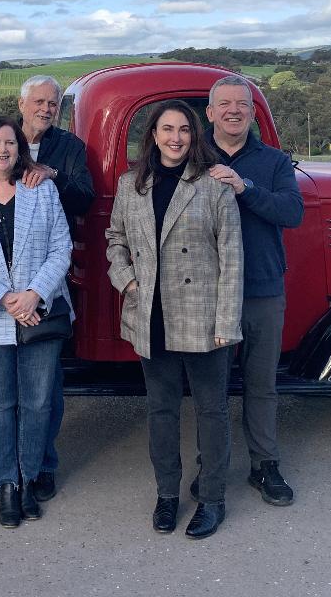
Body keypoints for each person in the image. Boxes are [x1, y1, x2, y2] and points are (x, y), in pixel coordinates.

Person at [0, 76, 94, 503]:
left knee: (42, 397)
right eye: (39, 101)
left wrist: (50, 176)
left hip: (42, 294)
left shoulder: (67, 150)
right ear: (22, 104)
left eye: (53, 103)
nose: (46, 108)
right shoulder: (1, 135)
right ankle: (6, 472)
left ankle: (38, 468)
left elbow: (81, 202)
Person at [105, 101, 243, 539]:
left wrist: (226, 321)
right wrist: (127, 282)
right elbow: (115, 240)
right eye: (167, 129)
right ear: (153, 135)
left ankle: (213, 500)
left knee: (212, 412)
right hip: (152, 316)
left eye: (184, 129)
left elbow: (232, 260)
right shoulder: (132, 185)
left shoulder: (214, 186)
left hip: (203, 318)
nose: (176, 138)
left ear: (194, 135)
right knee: (161, 411)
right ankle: (167, 495)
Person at [204, 75, 304, 506]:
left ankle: (265, 465)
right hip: (207, 293)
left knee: (261, 384)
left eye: (241, 104)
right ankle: (212, 470)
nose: (233, 110)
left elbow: (292, 213)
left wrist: (244, 188)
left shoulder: (275, 162)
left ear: (252, 111)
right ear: (209, 112)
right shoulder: (192, 157)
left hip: (262, 288)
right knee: (212, 388)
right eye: (224, 103)